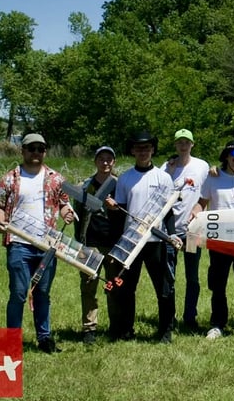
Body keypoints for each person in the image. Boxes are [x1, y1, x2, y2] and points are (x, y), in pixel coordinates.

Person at [0, 133, 75, 353]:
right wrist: (1, 222)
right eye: (32, 148)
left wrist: (67, 214)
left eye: (40, 149)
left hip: (47, 246)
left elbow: (64, 204)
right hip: (19, 244)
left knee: (43, 293)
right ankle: (12, 342)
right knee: (18, 293)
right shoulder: (9, 178)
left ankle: (44, 339)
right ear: (23, 151)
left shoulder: (56, 179)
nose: (36, 153)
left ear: (45, 152)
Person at [105, 131, 179, 344]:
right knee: (127, 289)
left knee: (164, 288)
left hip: (156, 242)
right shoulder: (125, 178)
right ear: (133, 151)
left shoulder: (163, 178)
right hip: (131, 242)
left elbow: (168, 211)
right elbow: (120, 212)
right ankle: (127, 330)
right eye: (139, 148)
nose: (143, 152)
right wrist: (113, 211)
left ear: (153, 150)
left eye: (147, 148)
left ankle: (165, 331)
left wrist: (172, 234)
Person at [192, 140, 234, 340]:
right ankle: (217, 324)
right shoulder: (213, 178)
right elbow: (201, 203)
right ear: (226, 157)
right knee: (218, 284)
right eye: (233, 154)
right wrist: (194, 214)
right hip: (218, 240)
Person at [72, 146, 123, 345]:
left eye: (109, 159)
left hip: (114, 243)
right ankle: (89, 328)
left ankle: (116, 326)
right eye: (101, 159)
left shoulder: (120, 185)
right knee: (88, 286)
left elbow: (127, 211)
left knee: (114, 286)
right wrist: (79, 243)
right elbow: (77, 216)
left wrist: (116, 208)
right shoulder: (85, 186)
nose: (105, 162)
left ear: (114, 162)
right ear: (95, 162)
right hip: (90, 243)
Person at [160, 129, 210, 331]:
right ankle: (169, 318)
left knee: (192, 276)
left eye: (186, 142)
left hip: (193, 230)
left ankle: (190, 317)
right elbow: (159, 191)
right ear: (175, 145)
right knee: (168, 275)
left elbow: (210, 187)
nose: (183, 146)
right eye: (179, 142)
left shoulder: (202, 166)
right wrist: (170, 171)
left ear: (192, 145)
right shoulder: (166, 167)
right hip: (170, 230)